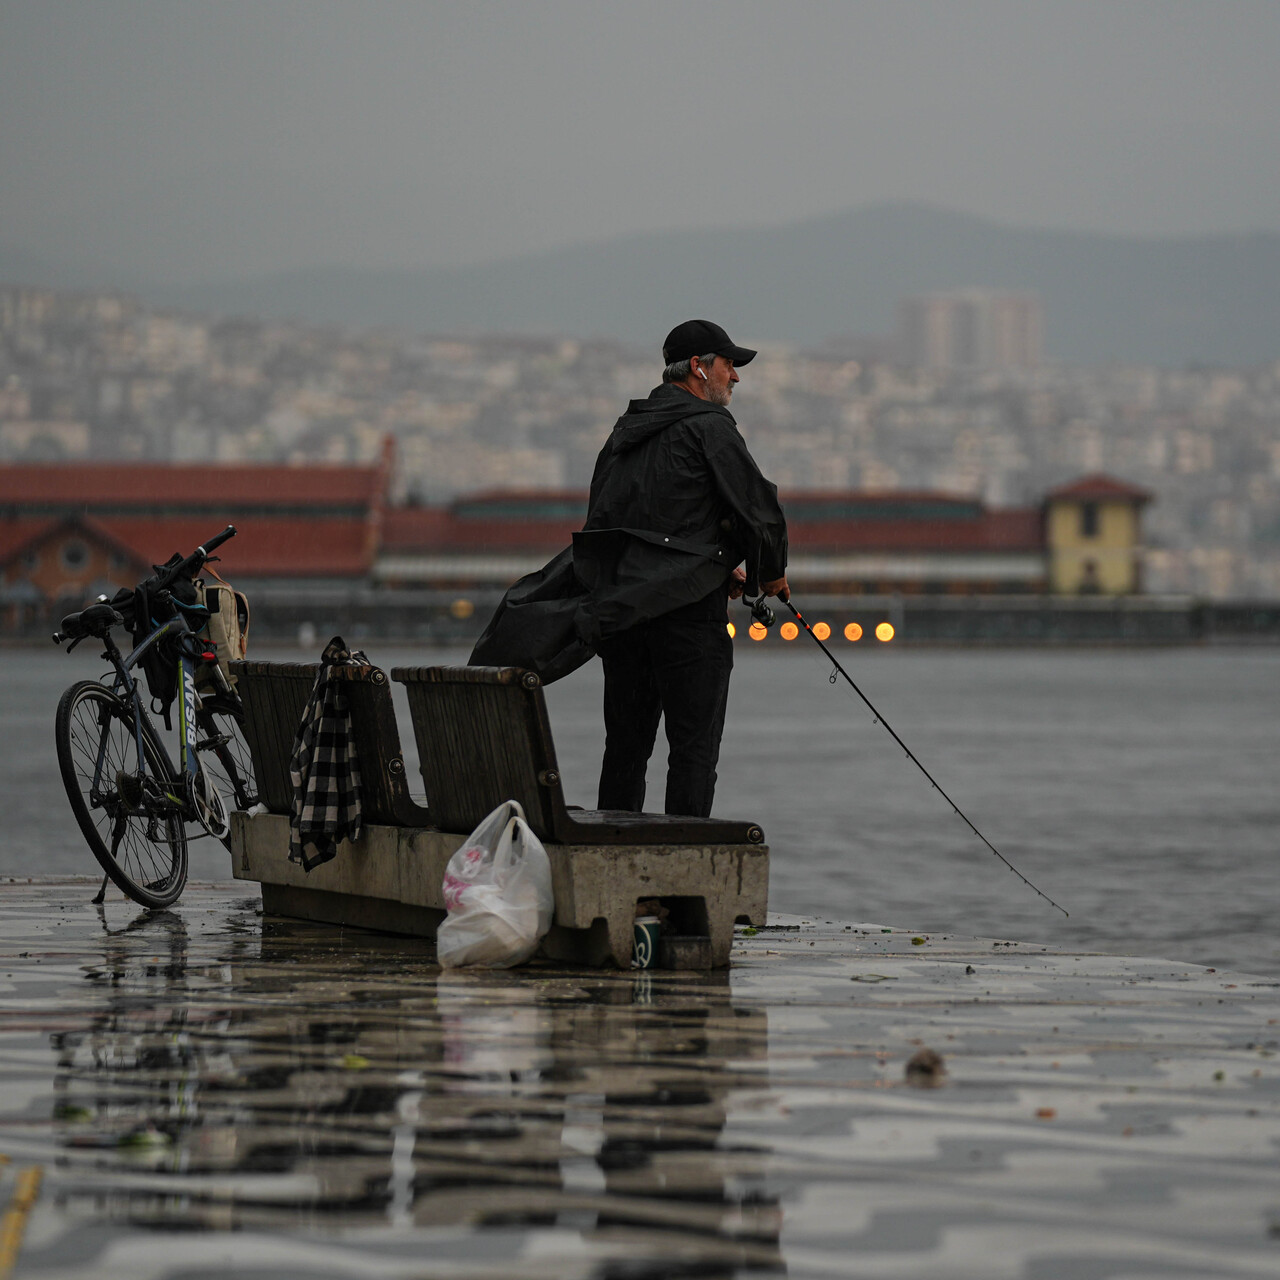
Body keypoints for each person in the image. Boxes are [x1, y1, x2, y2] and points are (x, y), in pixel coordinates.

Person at [586, 319, 789, 818]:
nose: (736, 377)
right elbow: (757, 509)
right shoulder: (710, 427)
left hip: (625, 614)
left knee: (626, 749)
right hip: (687, 620)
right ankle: (685, 860)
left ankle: (612, 846)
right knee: (693, 750)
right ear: (699, 369)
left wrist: (716, 566)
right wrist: (770, 574)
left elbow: (615, 523)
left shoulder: (624, 432)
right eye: (729, 365)